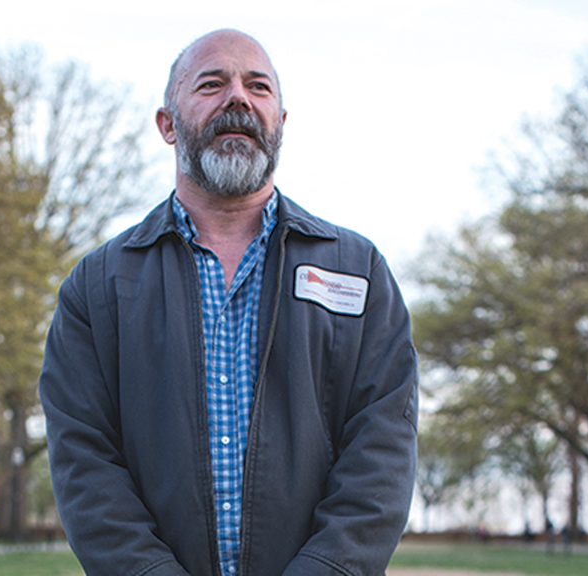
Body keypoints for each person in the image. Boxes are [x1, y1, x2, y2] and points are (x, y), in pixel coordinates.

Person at [38, 28, 418, 576]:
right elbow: (85, 464)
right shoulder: (96, 289)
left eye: (258, 87)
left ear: (280, 124)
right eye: (212, 84)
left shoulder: (358, 272)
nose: (238, 97)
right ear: (168, 124)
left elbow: (381, 451)